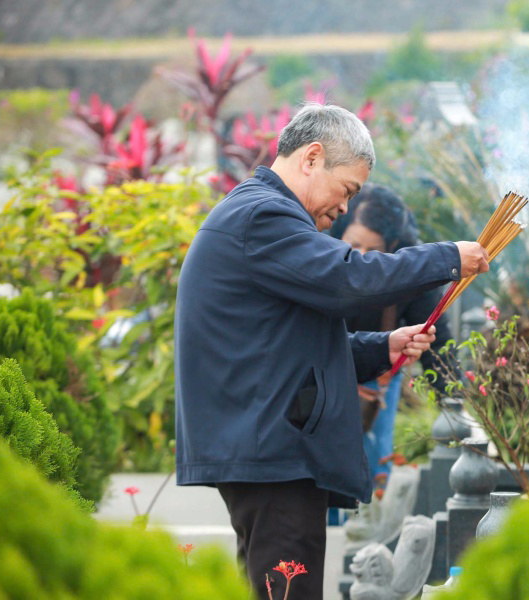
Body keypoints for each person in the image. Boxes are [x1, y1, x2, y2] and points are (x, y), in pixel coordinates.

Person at [174, 102, 489, 600]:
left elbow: (290, 345)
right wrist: (447, 256)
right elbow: (349, 277)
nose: (344, 209)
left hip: (268, 448)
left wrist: (384, 346)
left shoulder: (257, 214)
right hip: (273, 453)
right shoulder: (264, 216)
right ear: (312, 158)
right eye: (346, 190)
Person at [328, 184, 459, 482]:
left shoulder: (413, 273)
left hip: (380, 377)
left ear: (393, 248)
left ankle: (370, 521)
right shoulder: (319, 258)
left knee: (375, 454)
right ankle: (330, 524)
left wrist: (453, 404)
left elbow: (437, 339)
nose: (359, 258)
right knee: (325, 457)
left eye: (372, 251)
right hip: (326, 363)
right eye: (353, 246)